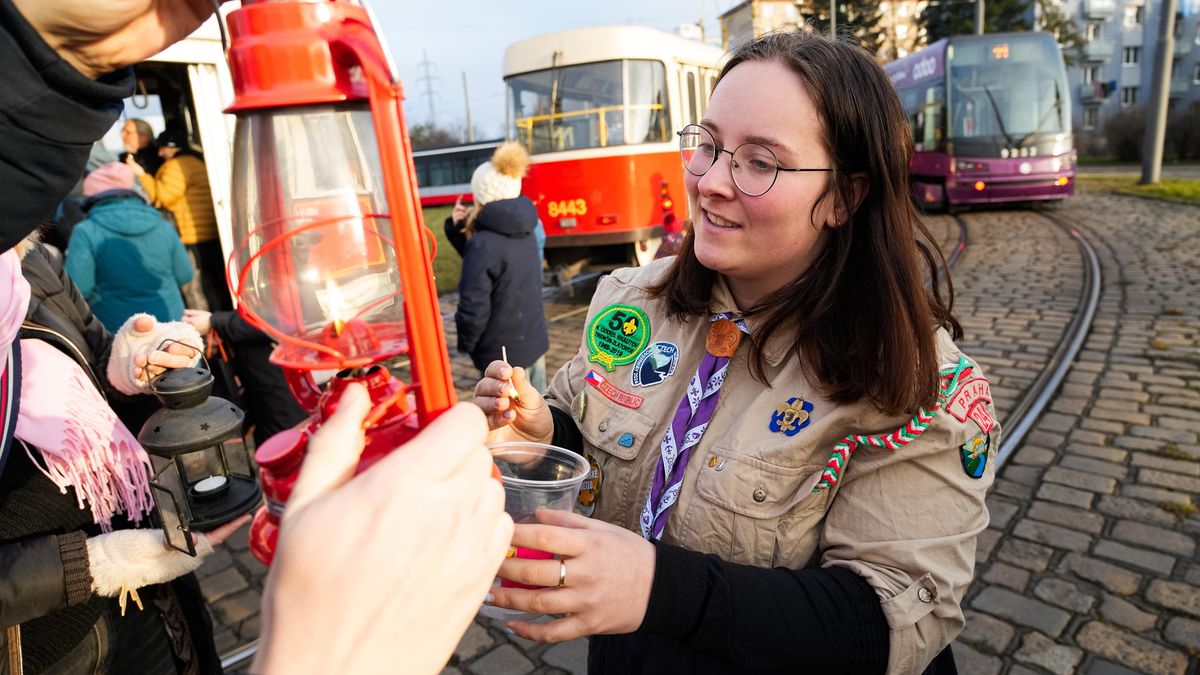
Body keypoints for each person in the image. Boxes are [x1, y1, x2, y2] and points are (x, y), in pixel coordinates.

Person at [2, 1, 512, 673]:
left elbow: (88, 350)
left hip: (163, 617)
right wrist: (91, 564)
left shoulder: (29, 266)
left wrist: (123, 365)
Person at [473, 31, 997, 675]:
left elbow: (889, 620)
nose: (712, 182)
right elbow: (605, 438)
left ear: (844, 197)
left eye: (760, 162)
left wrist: (658, 589)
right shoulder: (633, 301)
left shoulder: (914, 382)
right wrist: (547, 432)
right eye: (709, 145)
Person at [446, 141, 550, 393]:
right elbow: (501, 265)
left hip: (501, 355)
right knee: (539, 406)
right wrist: (458, 229)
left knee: (510, 413)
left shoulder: (483, 244)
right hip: (533, 341)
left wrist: (468, 343)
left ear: (479, 197)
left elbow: (474, 306)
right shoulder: (529, 227)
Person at [65, 161, 194, 332]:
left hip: (118, 329)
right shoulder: (163, 225)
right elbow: (185, 275)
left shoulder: (85, 231)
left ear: (91, 197)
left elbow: (79, 288)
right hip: (169, 323)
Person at [127, 128, 231, 314]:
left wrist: (141, 175)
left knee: (196, 285)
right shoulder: (197, 160)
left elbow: (163, 197)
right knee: (215, 283)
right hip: (208, 231)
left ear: (171, 147)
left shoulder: (176, 166)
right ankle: (220, 317)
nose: (160, 153)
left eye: (162, 148)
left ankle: (205, 324)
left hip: (191, 235)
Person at [182, 308, 308, 447]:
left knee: (285, 445)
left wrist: (216, 322)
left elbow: (285, 318)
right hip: (257, 379)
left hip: (282, 380)